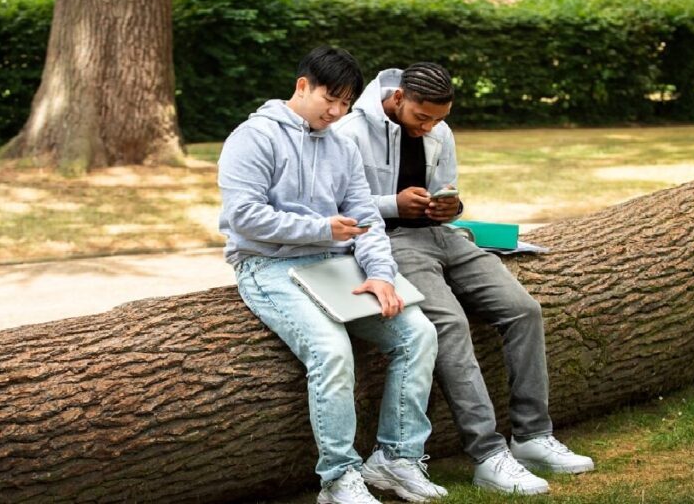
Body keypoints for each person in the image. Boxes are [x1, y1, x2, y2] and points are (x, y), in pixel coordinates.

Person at [333, 62, 595, 495]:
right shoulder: (350, 132)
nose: (430, 127)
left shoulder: (439, 129)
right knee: (450, 326)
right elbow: (344, 206)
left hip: (444, 237)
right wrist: (395, 204)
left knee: (523, 310)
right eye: (423, 118)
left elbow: (446, 189)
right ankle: (488, 455)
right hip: (390, 243)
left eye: (439, 119)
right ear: (398, 99)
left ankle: (532, 436)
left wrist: (450, 207)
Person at [217, 47, 448, 504]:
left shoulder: (340, 144)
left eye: (346, 103)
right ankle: (339, 478)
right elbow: (243, 217)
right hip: (267, 265)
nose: (337, 111)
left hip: (336, 266)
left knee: (418, 333)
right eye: (331, 99)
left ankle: (398, 459)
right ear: (302, 85)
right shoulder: (252, 137)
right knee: (331, 350)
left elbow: (366, 218)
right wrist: (319, 228)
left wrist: (382, 274)